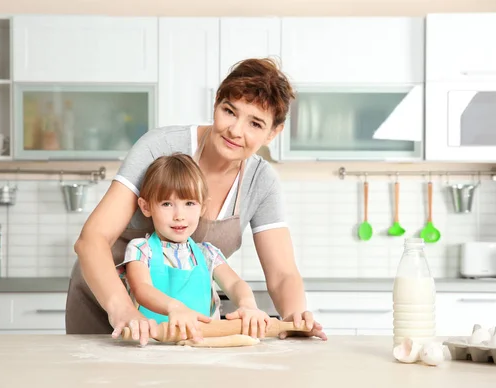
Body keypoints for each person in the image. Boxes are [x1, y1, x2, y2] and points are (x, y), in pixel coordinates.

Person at [66, 57, 327, 346]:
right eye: (229, 111)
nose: (236, 131)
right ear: (216, 102)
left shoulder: (261, 182)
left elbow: (282, 274)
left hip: (184, 325)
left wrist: (295, 317)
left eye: (255, 123)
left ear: (273, 132)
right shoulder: (160, 148)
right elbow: (92, 240)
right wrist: (124, 310)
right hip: (110, 305)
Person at [117, 153, 271, 342]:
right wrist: (175, 308)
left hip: (202, 349)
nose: (179, 215)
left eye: (189, 203)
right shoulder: (141, 250)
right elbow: (142, 289)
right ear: (146, 207)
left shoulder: (207, 254)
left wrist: (248, 305)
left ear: (202, 207)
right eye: (167, 204)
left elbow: (234, 284)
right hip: (152, 349)